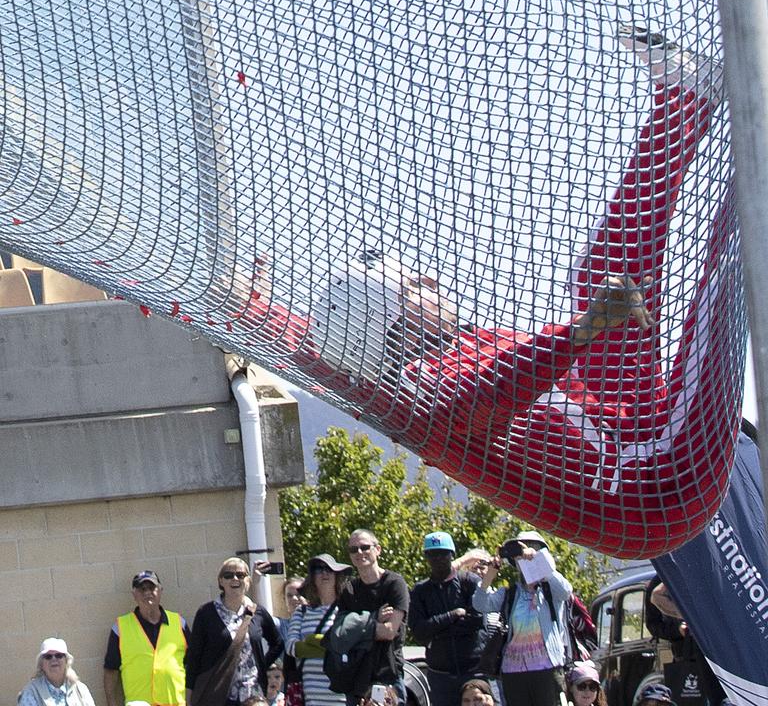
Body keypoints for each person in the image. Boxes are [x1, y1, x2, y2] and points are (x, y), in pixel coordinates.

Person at [233, 28, 735, 559]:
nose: (430, 281)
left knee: (596, 272)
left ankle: (685, 101)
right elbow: (492, 390)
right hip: (654, 481)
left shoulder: (375, 365)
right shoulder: (424, 391)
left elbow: (310, 346)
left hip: (616, 413)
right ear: (397, 325)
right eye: (412, 287)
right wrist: (582, 331)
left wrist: (252, 306)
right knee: (718, 288)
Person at [473, 531, 572, 706]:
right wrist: (490, 574)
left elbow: (566, 591)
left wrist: (538, 561)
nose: (524, 558)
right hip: (513, 672)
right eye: (519, 555)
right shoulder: (510, 593)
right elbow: (480, 604)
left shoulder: (551, 590)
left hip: (547, 669)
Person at [186, 557, 284, 706]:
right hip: (219, 695)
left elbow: (277, 643)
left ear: (248, 581)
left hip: (253, 695)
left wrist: (261, 665)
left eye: (241, 575)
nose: (235, 579)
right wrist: (189, 696)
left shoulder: (258, 612)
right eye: (228, 575)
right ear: (220, 581)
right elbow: (193, 658)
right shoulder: (206, 613)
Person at [409, 531, 486, 706]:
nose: (438, 559)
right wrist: (452, 615)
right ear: (426, 557)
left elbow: (477, 621)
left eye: (443, 554)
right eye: (432, 554)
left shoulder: (469, 581)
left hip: (473, 670)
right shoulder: (420, 591)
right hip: (440, 675)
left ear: (452, 554)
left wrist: (437, 631)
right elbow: (419, 631)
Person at [339, 529, 410, 706]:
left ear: (378, 549)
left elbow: (388, 632)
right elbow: (342, 635)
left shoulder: (394, 583)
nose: (359, 553)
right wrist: (374, 619)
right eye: (354, 549)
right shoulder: (349, 589)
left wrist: (358, 626)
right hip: (356, 678)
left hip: (387, 675)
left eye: (364, 547)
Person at [104, 570, 191, 706]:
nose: (147, 592)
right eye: (142, 589)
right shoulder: (120, 627)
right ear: (134, 594)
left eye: (152, 587)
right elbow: (110, 670)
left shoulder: (179, 623)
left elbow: (193, 666)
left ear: (160, 590)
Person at [285, 553, 352, 706]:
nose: (324, 573)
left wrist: (310, 641)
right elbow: (290, 647)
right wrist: (329, 647)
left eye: (329, 569)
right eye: (319, 569)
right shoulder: (301, 612)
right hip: (311, 695)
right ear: (312, 578)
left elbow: (349, 645)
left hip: (341, 694)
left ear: (337, 576)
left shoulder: (347, 611)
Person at [19, 638, 96, 706]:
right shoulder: (31, 692)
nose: (53, 659)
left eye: (59, 655)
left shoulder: (81, 689)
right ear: (41, 664)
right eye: (48, 657)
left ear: (66, 661)